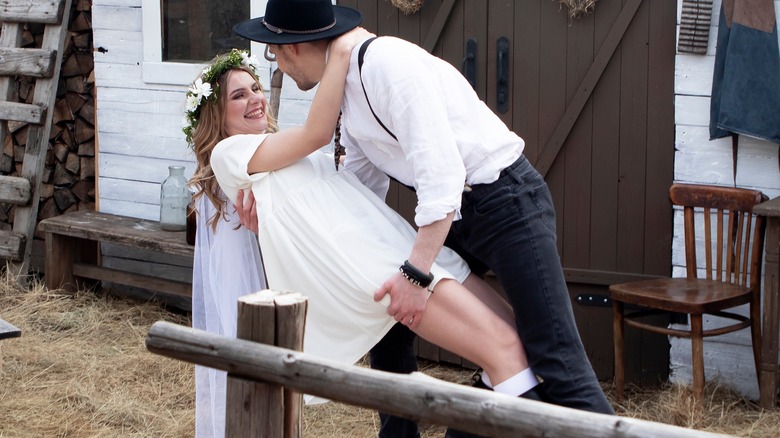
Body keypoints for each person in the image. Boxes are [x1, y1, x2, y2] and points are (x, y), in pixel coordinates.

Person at [233, 1, 615, 435]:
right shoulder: (347, 89)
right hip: (455, 212)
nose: (277, 64)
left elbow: (443, 176)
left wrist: (415, 273)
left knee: (555, 357)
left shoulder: (386, 66)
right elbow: (354, 186)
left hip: (506, 204)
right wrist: (278, 205)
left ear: (295, 47)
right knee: (391, 325)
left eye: (274, 52)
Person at [184, 41, 542, 435]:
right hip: (377, 268)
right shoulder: (228, 154)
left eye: (255, 88)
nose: (255, 98)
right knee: (504, 351)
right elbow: (318, 132)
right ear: (215, 115)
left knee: (519, 338)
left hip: (406, 247)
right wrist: (340, 52)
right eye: (239, 95)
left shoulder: (277, 158)